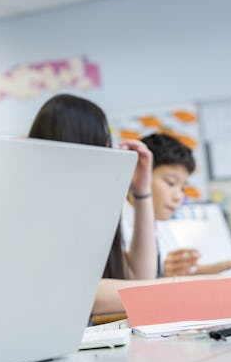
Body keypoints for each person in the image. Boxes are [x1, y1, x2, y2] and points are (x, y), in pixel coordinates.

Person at [28, 94, 157, 281]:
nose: (109, 148)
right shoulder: (38, 213)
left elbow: (140, 276)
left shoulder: (92, 208)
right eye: (104, 141)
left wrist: (142, 191)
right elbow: (83, 292)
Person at [121, 133, 231, 276]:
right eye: (171, 183)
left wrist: (227, 266)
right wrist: (162, 273)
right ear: (138, 173)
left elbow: (175, 273)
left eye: (183, 188)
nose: (178, 196)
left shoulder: (161, 224)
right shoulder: (117, 225)